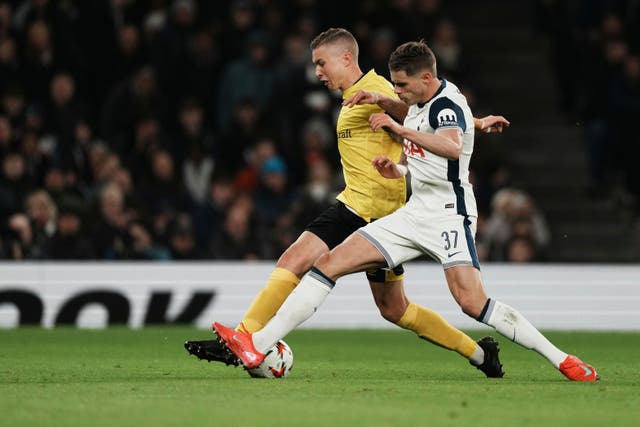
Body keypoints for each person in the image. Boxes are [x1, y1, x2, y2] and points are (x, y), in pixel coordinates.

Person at [212, 40, 598, 382]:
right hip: (412, 212)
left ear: (427, 77)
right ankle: (257, 342)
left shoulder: (446, 104)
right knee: (327, 264)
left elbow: (448, 146)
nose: (397, 90)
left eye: (402, 85)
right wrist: (394, 152)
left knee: (472, 302)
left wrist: (399, 130)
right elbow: (421, 130)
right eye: (393, 84)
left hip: (450, 215)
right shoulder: (421, 101)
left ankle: (561, 358)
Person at [190, 28, 509, 376]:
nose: (317, 72)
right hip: (362, 206)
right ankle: (479, 353)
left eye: (321, 63)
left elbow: (424, 113)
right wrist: (476, 122)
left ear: (346, 58)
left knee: (296, 259)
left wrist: (473, 123)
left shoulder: (379, 89)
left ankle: (244, 340)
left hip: (370, 210)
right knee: (394, 309)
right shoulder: (352, 97)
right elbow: (425, 116)